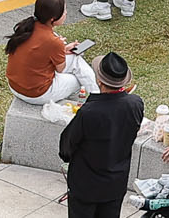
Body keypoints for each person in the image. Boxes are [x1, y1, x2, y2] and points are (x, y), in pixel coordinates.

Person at [62, 53, 144, 218]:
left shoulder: (89, 112)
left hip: (86, 185)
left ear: (99, 81)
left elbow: (66, 146)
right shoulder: (135, 104)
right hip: (115, 183)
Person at [7, 0, 98, 104]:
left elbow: (37, 53)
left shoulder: (26, 27)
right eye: (64, 11)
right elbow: (60, 69)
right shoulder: (53, 41)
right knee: (78, 76)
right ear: (53, 18)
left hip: (15, 86)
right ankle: (97, 98)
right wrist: (61, 50)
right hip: (36, 94)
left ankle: (97, 96)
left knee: (76, 61)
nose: (66, 13)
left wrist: (63, 50)